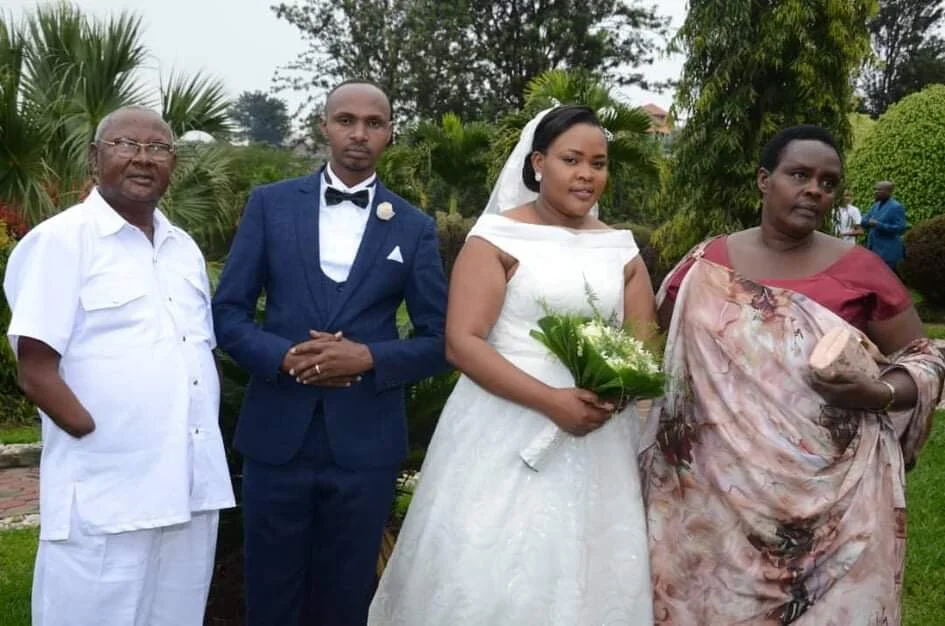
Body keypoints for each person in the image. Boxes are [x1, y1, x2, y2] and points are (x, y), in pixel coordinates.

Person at [642, 125, 945, 625]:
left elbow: (925, 354)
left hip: (837, 503)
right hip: (716, 500)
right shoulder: (705, 266)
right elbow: (653, 349)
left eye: (828, 182)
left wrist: (881, 390)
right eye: (798, 174)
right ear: (764, 180)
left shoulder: (861, 270)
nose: (814, 189)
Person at [369, 105, 657, 625]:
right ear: (538, 162)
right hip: (503, 426)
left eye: (599, 162)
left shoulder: (620, 249)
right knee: (492, 565)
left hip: (597, 436)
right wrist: (551, 402)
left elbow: (641, 347)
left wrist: (611, 394)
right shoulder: (496, 239)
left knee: (587, 572)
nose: (587, 174)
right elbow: (462, 342)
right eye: (572, 159)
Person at [211, 80, 449, 626]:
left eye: (374, 123)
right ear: (324, 126)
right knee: (269, 589)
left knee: (346, 594)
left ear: (391, 132)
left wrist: (370, 358)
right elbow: (228, 313)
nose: (359, 134)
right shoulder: (270, 206)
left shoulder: (413, 227)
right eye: (346, 120)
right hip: (277, 437)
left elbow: (440, 339)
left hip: (365, 443)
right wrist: (283, 357)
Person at [3, 105, 235, 626]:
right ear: (94, 159)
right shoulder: (62, 241)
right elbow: (35, 366)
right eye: (125, 145)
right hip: (107, 493)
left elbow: (196, 352)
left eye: (158, 149)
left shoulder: (183, 249)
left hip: (190, 488)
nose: (143, 159)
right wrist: (95, 434)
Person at [862, 180, 907, 271]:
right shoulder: (875, 205)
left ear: (889, 191)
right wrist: (867, 222)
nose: (876, 192)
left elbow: (901, 228)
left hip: (888, 251)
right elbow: (864, 221)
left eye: (879, 190)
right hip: (873, 249)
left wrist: (879, 225)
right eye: (875, 189)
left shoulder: (896, 207)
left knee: (887, 279)